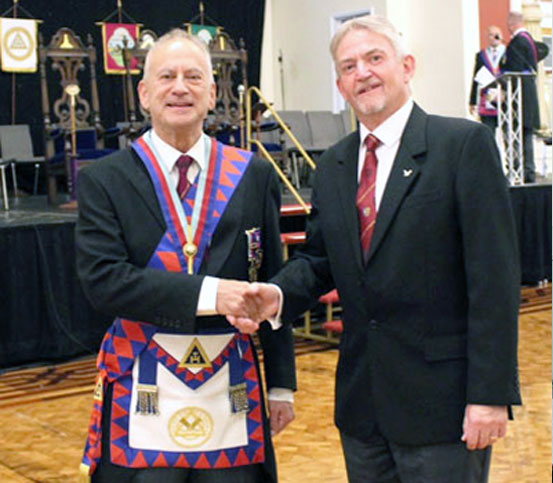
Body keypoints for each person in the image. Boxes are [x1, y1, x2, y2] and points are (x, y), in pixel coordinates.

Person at [260, 15, 521, 482]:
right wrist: (275, 297)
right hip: (363, 409)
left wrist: (490, 394)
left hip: (446, 409)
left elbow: (494, 281)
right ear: (340, 85)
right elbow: (320, 261)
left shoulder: (462, 145)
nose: (363, 72)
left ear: (406, 66)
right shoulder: (334, 166)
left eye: (375, 58)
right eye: (349, 66)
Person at [74, 29, 296, 482]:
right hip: (141, 381)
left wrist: (281, 383)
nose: (180, 88)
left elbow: (273, 279)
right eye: (167, 76)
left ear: (212, 93)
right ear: (144, 93)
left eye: (194, 77)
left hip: (233, 387)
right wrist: (216, 294)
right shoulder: (105, 180)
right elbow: (104, 282)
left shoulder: (252, 174)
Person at [500, 10, 548, 183]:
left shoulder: (518, 43)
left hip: (518, 96)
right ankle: (526, 169)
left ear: (512, 24)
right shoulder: (529, 40)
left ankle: (521, 169)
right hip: (526, 95)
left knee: (520, 134)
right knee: (525, 133)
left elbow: (513, 68)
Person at [469, 25, 505, 130]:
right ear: (487, 38)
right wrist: (472, 101)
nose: (494, 37)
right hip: (487, 98)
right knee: (488, 131)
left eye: (496, 35)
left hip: (504, 97)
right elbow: (476, 78)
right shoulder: (481, 55)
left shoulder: (508, 54)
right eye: (491, 35)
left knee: (507, 133)